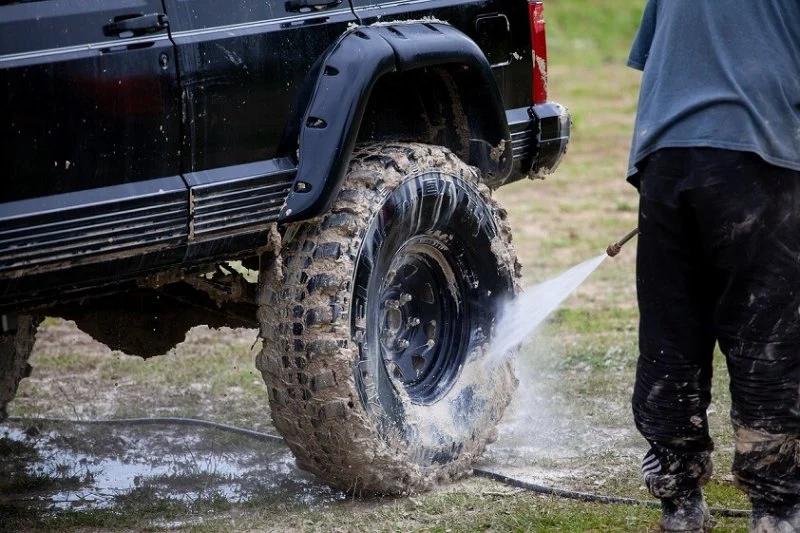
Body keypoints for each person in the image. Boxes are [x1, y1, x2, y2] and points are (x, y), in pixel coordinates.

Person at [626, 2, 800, 532]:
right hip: (758, 151)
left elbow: (662, 56)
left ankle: (679, 504)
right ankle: (776, 511)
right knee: (766, 339)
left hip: (665, 158)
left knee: (671, 335)